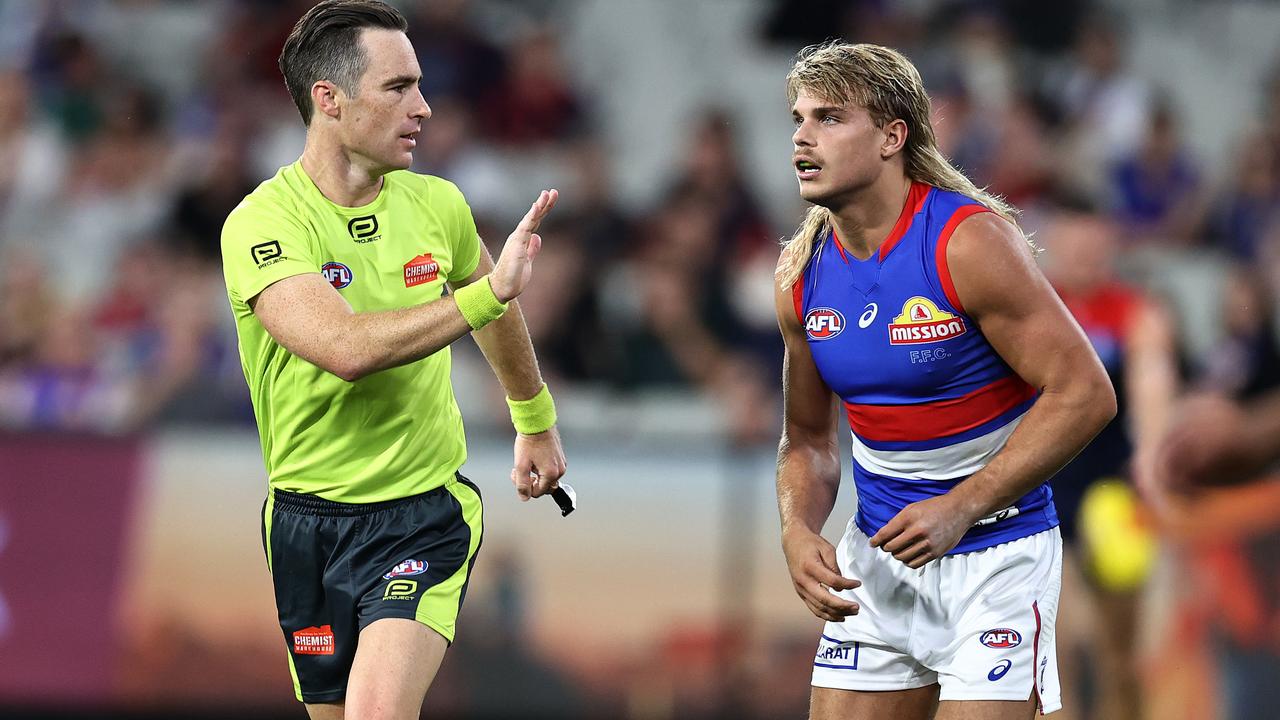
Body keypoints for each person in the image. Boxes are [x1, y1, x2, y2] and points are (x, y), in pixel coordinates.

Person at [219, 2, 566, 718]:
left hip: (421, 517)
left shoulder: (438, 205)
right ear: (330, 100)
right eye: (398, 87)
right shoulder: (262, 223)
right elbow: (343, 350)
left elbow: (496, 314)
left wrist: (534, 418)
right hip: (304, 525)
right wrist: (485, 295)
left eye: (421, 85)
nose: (425, 107)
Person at [773, 41, 1116, 720]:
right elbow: (808, 440)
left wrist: (964, 505)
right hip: (877, 563)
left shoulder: (967, 244)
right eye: (797, 118)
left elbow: (1086, 393)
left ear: (891, 138)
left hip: (997, 560)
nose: (802, 138)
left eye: (830, 118)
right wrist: (795, 526)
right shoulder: (801, 276)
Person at [1039, 210, 1178, 720]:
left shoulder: (1134, 312)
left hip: (1112, 491)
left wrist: (1151, 458)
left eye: (1094, 245)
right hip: (1043, 487)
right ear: (1053, 242)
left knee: (1119, 650)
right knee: (1051, 653)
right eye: (1073, 244)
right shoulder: (1035, 305)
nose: (1083, 256)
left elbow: (1152, 389)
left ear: (1109, 245)